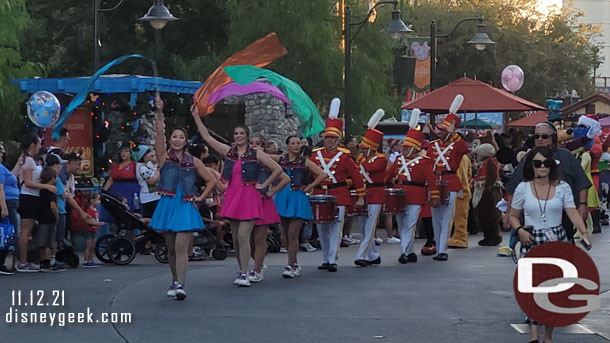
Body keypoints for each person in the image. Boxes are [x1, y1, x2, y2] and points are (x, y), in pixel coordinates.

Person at [191, 105, 282, 287]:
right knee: (235, 238)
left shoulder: (256, 153)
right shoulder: (229, 152)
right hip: (233, 195)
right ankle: (242, 270)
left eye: (241, 133)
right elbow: (207, 137)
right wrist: (196, 116)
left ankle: (244, 273)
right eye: (236, 133)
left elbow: (277, 169)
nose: (238, 136)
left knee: (243, 236)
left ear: (247, 136)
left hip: (249, 195)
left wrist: (263, 185)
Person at [508, 146, 591, 343]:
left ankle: (548, 336)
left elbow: (571, 212)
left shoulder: (562, 187)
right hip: (531, 239)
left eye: (546, 163)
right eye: (538, 163)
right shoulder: (523, 188)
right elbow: (512, 215)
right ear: (531, 166)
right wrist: (519, 230)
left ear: (552, 165)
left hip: (557, 240)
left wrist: (585, 232)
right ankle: (534, 335)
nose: (542, 167)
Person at [152, 98, 216, 299]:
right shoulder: (164, 157)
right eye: (174, 136)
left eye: (181, 137)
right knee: (171, 249)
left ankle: (180, 284)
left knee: (181, 247)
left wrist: (200, 198)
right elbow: (159, 134)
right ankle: (174, 280)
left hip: (186, 205)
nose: (177, 139)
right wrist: (160, 112)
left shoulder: (194, 161)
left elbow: (211, 181)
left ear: (185, 141)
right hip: (168, 203)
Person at [504, 122, 592, 241]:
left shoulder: (566, 158)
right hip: (531, 226)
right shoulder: (527, 159)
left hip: (563, 219)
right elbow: (514, 187)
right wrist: (509, 214)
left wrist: (583, 206)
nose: (540, 139)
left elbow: (581, 183)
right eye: (537, 136)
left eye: (544, 136)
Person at [310, 100, 365, 272]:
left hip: (338, 195)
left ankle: (332, 259)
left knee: (335, 229)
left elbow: (357, 177)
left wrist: (361, 196)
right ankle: (326, 258)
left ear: (338, 139)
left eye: (333, 138)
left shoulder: (345, 157)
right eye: (327, 137)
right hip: (320, 194)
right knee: (322, 229)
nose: (329, 140)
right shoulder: (315, 156)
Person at [387, 115, 439, 264]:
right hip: (399, 195)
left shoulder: (424, 162)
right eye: (404, 146)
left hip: (416, 196)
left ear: (415, 148)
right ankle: (410, 252)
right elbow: (388, 175)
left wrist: (434, 197)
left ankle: (403, 251)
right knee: (402, 224)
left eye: (407, 147)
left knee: (409, 224)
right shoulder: (398, 160)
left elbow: (431, 180)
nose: (403, 148)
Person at [274, 136, 325, 277]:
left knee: (293, 233)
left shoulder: (304, 162)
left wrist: (310, 187)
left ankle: (291, 264)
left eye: (298, 143)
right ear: (287, 146)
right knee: (286, 232)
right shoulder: (280, 159)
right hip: (283, 196)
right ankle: (293, 263)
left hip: (298, 197)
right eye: (293, 143)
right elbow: (263, 156)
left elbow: (322, 174)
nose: (296, 145)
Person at [426, 112, 470, 261]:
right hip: (435, 181)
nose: (440, 132)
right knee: (435, 217)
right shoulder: (432, 146)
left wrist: (455, 135)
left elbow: (465, 149)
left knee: (446, 217)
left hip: (450, 181)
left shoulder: (457, 145)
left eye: (444, 130)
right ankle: (438, 247)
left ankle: (442, 250)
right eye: (440, 129)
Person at [248, 136, 289, 283]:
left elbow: (285, 178)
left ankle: (257, 269)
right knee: (248, 239)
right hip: (247, 203)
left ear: (263, 148)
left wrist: (271, 191)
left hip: (263, 202)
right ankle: (258, 261)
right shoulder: (245, 162)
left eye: (258, 144)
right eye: (251, 143)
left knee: (259, 238)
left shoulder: (267, 164)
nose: (254, 146)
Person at [15, 133, 56, 272]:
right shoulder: (29, 161)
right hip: (28, 197)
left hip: (32, 197)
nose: (40, 146)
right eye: (39, 143)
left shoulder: (31, 160)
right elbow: (28, 182)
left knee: (28, 230)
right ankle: (23, 261)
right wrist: (46, 186)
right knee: (26, 230)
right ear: (33, 144)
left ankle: (25, 260)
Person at [354, 110, 387, 266]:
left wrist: (360, 158)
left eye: (364, 147)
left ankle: (362, 255)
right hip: (364, 193)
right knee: (364, 227)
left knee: (370, 226)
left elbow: (368, 168)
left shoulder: (381, 159)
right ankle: (374, 255)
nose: (362, 150)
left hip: (375, 194)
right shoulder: (364, 159)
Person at [103, 141, 139, 211]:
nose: (123, 153)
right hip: (116, 191)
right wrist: (104, 191)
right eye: (122, 151)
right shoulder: (115, 166)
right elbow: (111, 179)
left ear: (130, 153)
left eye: (126, 151)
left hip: (130, 190)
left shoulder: (134, 165)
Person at [0, 143, 19, 275]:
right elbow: (0, 188)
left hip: (11, 201)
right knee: (8, 233)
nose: (3, 153)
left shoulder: (3, 168)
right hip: (7, 202)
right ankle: (1, 262)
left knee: (8, 233)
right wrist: (3, 206)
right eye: (1, 151)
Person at [448, 154, 472, 248]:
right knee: (461, 216)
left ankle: (460, 238)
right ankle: (459, 237)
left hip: (459, 191)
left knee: (458, 217)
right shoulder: (465, 157)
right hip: (465, 190)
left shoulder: (455, 157)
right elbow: (469, 173)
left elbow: (457, 175)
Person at [38, 167, 59, 272]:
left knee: (42, 241)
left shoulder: (41, 190)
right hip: (50, 218)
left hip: (41, 217)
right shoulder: (52, 190)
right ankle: (47, 262)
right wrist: (56, 215)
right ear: (53, 178)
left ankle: (42, 262)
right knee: (49, 242)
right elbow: (53, 206)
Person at [133, 145, 160, 218]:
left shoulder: (143, 166)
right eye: (148, 153)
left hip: (153, 197)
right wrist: (159, 170)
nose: (151, 154)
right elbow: (151, 181)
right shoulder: (142, 168)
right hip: (149, 199)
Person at [83, 192, 105, 268]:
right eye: (98, 199)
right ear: (92, 200)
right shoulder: (89, 210)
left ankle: (91, 260)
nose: (99, 202)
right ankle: (86, 260)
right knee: (88, 246)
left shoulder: (95, 210)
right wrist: (97, 224)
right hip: (89, 230)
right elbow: (87, 221)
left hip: (94, 230)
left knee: (93, 246)